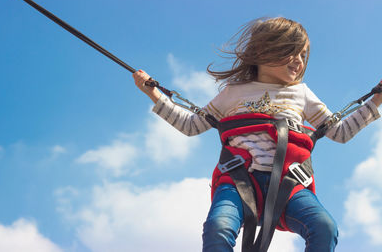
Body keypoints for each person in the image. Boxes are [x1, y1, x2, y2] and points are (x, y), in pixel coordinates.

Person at [132, 17, 382, 252]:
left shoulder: (301, 94)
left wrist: (377, 99)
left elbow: (339, 132)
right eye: (290, 52)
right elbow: (192, 125)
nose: (299, 60)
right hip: (239, 181)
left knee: (324, 226)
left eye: (303, 55)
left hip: (289, 183)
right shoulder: (234, 92)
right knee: (217, 227)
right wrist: (153, 94)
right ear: (262, 52)